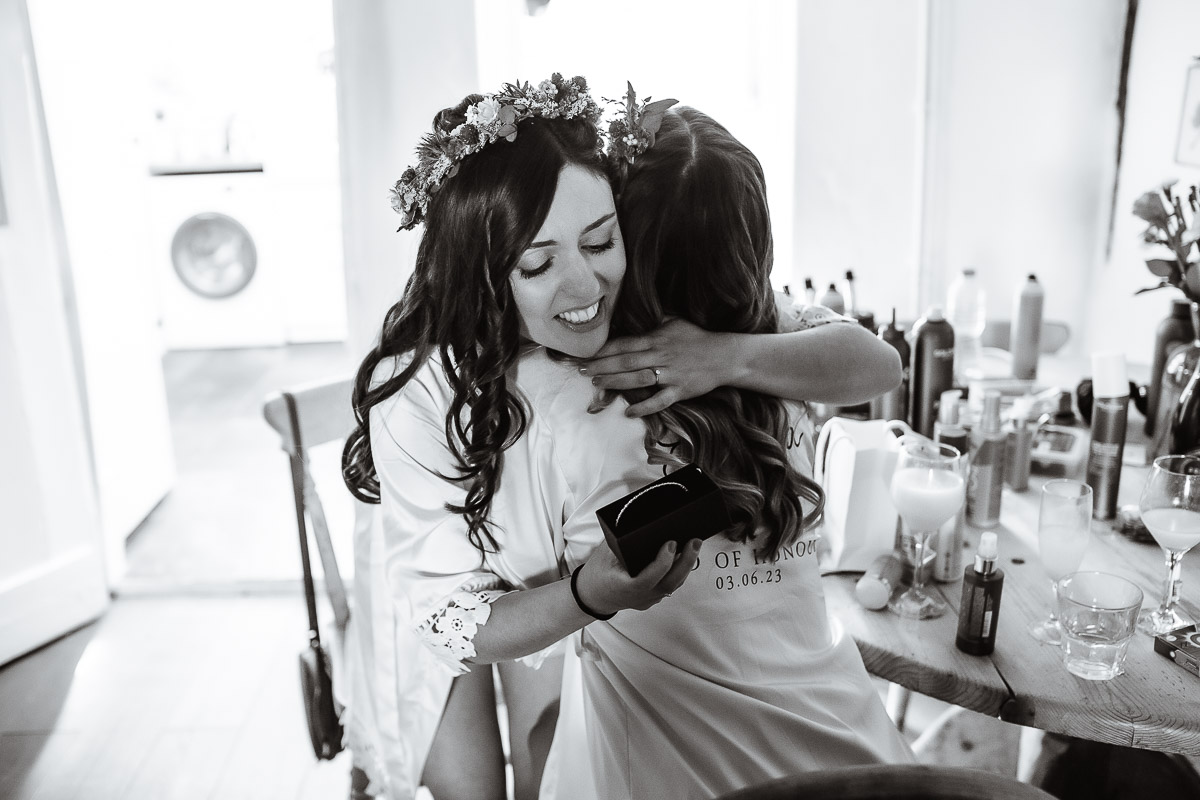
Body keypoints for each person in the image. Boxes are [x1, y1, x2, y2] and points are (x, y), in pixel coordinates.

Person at [341, 75, 901, 800]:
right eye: (538, 263)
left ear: (632, 239)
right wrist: (585, 596)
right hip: (804, 731)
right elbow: (451, 621)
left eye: (602, 241)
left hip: (711, 722)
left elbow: (877, 362)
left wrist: (725, 355)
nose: (582, 286)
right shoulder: (497, 396)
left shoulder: (717, 346)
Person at [486, 104, 916, 798]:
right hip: (839, 743)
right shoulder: (780, 347)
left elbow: (881, 364)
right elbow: (880, 366)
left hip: (668, 770)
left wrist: (723, 356)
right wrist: (734, 355)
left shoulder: (561, 388)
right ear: (751, 250)